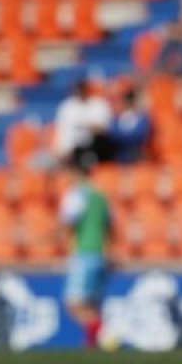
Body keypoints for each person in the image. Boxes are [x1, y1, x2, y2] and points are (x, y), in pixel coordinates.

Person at [60, 159, 112, 349]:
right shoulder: (100, 196)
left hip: (84, 253)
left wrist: (58, 240)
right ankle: (93, 343)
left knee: (73, 302)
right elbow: (109, 226)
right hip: (100, 254)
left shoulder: (76, 195)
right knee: (91, 303)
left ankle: (105, 334)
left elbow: (69, 222)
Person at [52, 78, 113, 166]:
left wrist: (87, 126)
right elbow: (61, 130)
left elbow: (103, 129)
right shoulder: (67, 106)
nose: (79, 93)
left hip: (93, 147)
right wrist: (60, 149)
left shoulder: (99, 104)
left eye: (82, 90)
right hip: (70, 150)